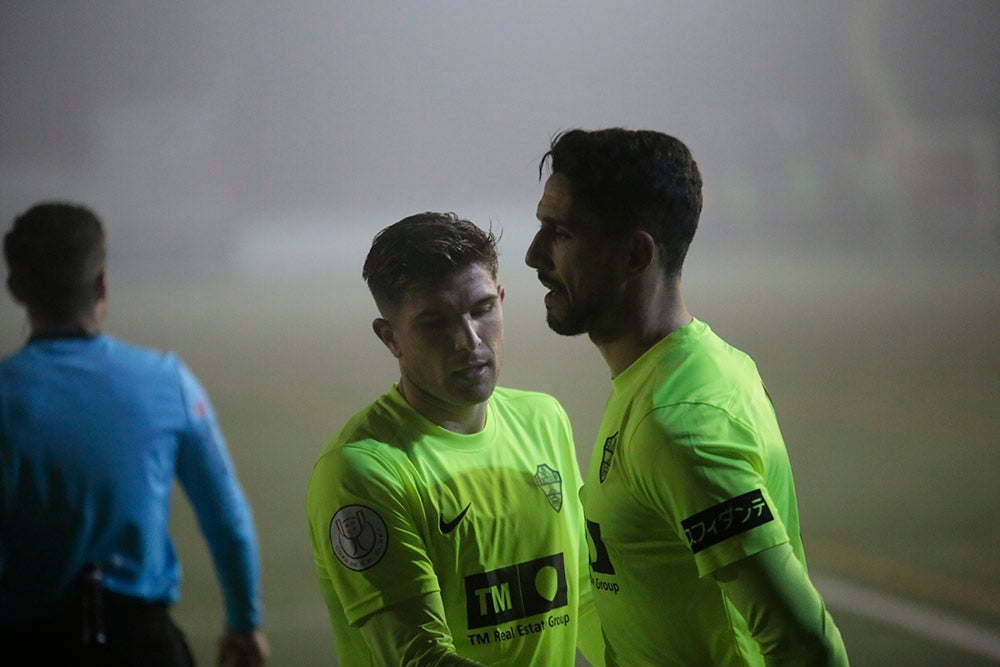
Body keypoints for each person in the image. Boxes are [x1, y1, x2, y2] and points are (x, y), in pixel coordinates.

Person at [525, 128, 849, 666]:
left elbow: (805, 646)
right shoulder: (679, 371)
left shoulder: (677, 425)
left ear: (634, 254)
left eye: (560, 233)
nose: (535, 255)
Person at [306, 212, 603, 666]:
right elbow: (421, 658)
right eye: (434, 323)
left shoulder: (543, 419)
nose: (469, 341)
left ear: (502, 300)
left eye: (482, 309)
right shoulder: (362, 471)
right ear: (391, 338)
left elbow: (583, 594)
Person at [0, 202, 269, 666]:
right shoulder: (167, 381)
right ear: (102, 282)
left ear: (15, 289)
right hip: (142, 644)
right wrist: (244, 624)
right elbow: (227, 520)